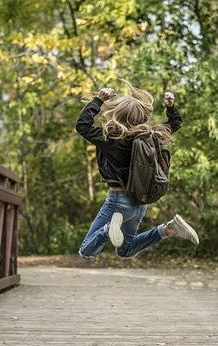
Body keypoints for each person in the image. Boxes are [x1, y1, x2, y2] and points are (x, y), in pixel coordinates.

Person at [76, 80, 199, 260]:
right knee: (125, 251)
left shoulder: (111, 139)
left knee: (85, 251)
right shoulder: (151, 136)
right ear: (140, 116)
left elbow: (82, 126)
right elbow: (175, 123)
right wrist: (170, 107)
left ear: (117, 114)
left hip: (118, 201)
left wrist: (98, 100)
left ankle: (109, 229)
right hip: (140, 202)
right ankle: (168, 229)